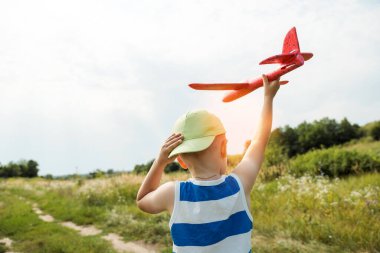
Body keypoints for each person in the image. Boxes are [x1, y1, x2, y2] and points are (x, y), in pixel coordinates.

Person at [136, 75, 280, 253]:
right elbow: (259, 141)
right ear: (224, 148)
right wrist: (268, 98)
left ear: (180, 160)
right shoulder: (239, 185)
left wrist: (159, 162)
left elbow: (142, 200)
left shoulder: (173, 193)